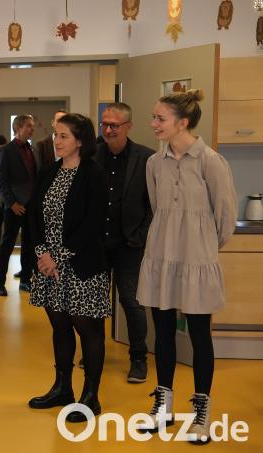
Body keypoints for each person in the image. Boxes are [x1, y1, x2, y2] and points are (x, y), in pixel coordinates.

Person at [137, 89, 237, 444]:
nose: (153, 124)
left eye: (160, 119)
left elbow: (225, 219)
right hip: (162, 255)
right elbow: (157, 206)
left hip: (197, 258)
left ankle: (202, 413)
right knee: (161, 332)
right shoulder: (153, 163)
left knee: (198, 335)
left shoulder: (210, 161)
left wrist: (201, 249)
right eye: (154, 117)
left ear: (183, 123)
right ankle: (163, 405)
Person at [26, 113, 110, 423]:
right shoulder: (48, 172)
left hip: (82, 266)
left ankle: (91, 396)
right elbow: (33, 215)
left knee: (88, 330)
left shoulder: (94, 174)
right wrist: (41, 253)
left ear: (80, 141)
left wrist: (57, 256)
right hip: (49, 267)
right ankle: (63, 388)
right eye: (56, 135)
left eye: (63, 136)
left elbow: (91, 224)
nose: (56, 141)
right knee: (59, 327)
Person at [92, 102, 155, 383]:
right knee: (94, 302)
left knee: (131, 302)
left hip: (130, 245)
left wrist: (141, 235)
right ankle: (95, 354)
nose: (107, 130)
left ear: (128, 126)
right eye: (104, 124)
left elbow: (155, 205)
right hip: (96, 245)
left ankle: (138, 358)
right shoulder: (91, 156)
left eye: (114, 125)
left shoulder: (147, 159)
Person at [0, 115, 41, 296]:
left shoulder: (33, 149)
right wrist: (11, 203)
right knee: (7, 245)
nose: (32, 129)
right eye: (29, 126)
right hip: (14, 207)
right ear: (18, 127)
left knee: (29, 245)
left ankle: (26, 280)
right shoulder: (6, 150)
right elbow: (1, 180)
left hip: (31, 206)